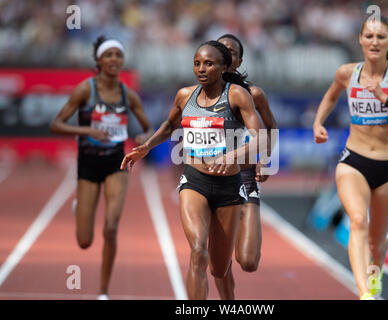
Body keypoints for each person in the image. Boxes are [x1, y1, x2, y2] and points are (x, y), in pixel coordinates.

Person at [120, 40, 263, 300]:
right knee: (198, 250)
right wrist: (147, 146)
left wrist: (232, 154)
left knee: (219, 269)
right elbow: (169, 124)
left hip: (228, 187)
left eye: (208, 64)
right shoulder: (185, 95)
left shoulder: (238, 96)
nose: (201, 69)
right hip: (194, 181)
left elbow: (259, 138)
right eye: (197, 63)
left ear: (223, 67)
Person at [313, 15, 388, 300]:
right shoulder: (346, 73)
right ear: (360, 40)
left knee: (377, 243)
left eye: (380, 37)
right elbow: (330, 97)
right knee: (358, 222)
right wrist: (318, 123)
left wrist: (387, 99)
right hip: (354, 161)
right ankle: (365, 293)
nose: (374, 42)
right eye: (369, 36)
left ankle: (374, 278)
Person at [50, 36, 153, 300]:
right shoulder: (86, 90)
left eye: (118, 55)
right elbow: (56, 124)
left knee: (110, 227)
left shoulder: (127, 95)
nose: (114, 60)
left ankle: (103, 291)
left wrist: (143, 139)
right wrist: (86, 129)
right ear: (98, 60)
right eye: (109, 55)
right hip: (88, 162)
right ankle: (79, 209)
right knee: (84, 241)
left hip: (116, 163)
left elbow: (148, 128)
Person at [216, 34, 277, 297]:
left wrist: (264, 159)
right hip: (213, 180)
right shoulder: (200, 96)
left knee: (249, 260)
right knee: (218, 261)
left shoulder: (254, 94)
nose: (226, 55)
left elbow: (270, 129)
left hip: (244, 178)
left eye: (231, 52)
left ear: (239, 60)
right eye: (221, 50)